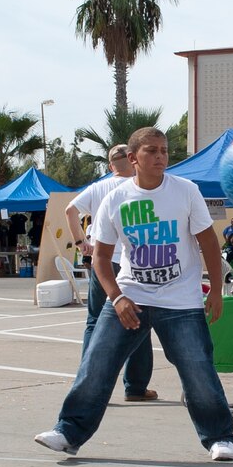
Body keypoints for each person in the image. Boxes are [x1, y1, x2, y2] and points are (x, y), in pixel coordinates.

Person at [36, 126, 233, 461]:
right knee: (96, 363)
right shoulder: (114, 198)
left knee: (198, 369)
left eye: (164, 151)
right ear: (133, 158)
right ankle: (68, 432)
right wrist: (117, 297)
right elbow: (100, 258)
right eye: (152, 151)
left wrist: (215, 290)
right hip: (131, 295)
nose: (161, 157)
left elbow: (209, 244)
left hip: (181, 301)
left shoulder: (186, 191)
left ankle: (220, 438)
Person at [64, 145, 155, 401]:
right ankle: (135, 387)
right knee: (139, 322)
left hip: (102, 261)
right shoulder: (141, 186)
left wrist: (81, 242)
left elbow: (70, 211)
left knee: (94, 321)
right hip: (132, 262)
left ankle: (87, 386)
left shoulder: (97, 188)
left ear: (109, 166)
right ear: (132, 160)